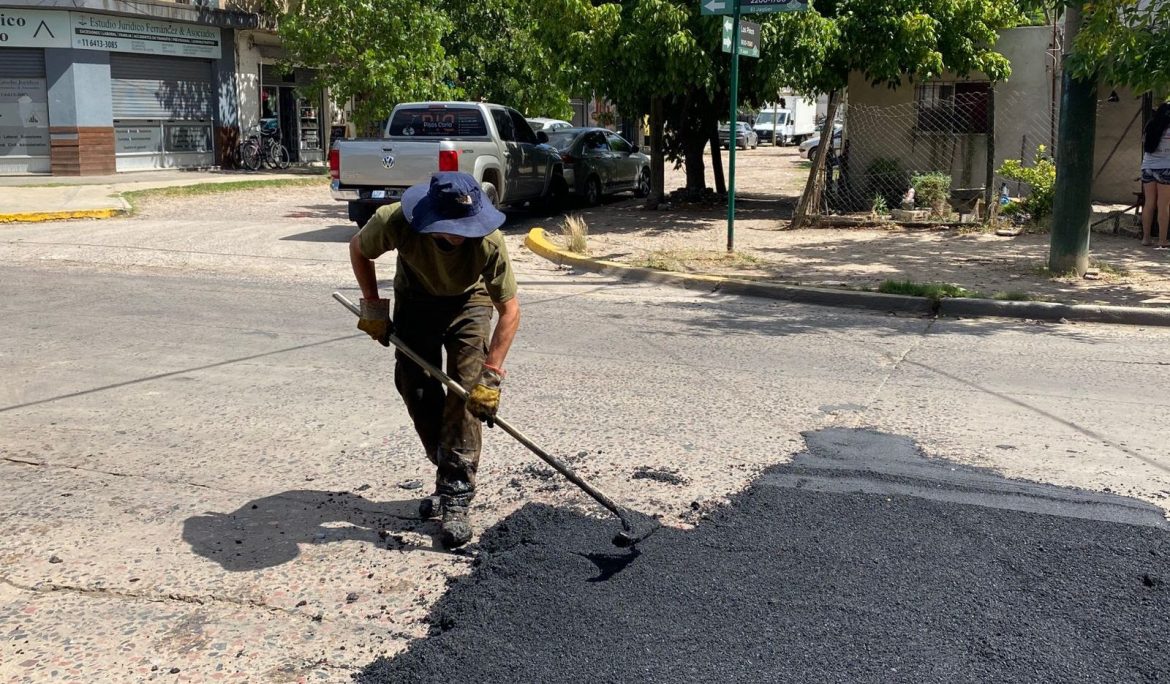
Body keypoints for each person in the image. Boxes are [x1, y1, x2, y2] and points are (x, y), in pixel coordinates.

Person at [348, 172, 520, 548]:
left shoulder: (488, 241)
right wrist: (374, 308)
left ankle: (456, 494)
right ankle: (447, 466)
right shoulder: (396, 220)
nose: (461, 234)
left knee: (466, 393)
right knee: (416, 388)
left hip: (469, 303)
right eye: (452, 227)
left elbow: (509, 310)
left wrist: (491, 376)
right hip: (416, 299)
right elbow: (359, 249)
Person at [1141, 101, 1170, 248]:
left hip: (1147, 167)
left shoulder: (1150, 126)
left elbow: (1144, 143)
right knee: (1163, 205)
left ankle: (1146, 238)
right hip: (1166, 168)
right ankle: (1162, 240)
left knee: (1149, 203)